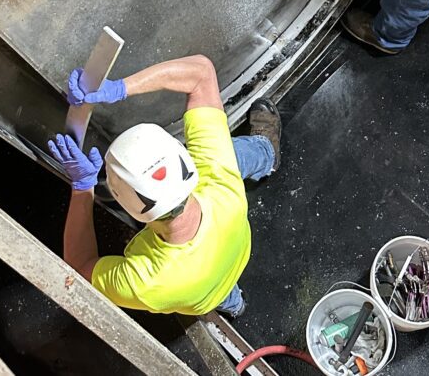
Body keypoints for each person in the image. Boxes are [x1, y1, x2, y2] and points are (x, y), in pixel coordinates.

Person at [46, 54, 281, 317]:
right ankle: (268, 152)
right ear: (183, 158)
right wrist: (119, 88)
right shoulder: (221, 184)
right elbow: (201, 72)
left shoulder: (149, 284)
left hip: (202, 294)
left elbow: (79, 268)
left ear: (128, 207)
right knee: (234, 156)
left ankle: (236, 305)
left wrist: (82, 187)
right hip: (236, 251)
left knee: (219, 295)